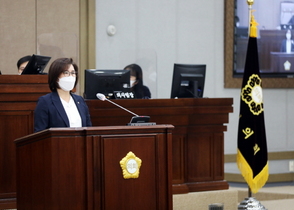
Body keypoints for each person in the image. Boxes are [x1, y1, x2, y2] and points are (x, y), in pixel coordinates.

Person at [34, 58, 92, 132]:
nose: (70, 76)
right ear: (56, 77)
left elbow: (88, 128)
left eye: (73, 73)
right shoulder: (45, 102)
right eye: (66, 73)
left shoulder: (80, 100)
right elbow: (40, 132)